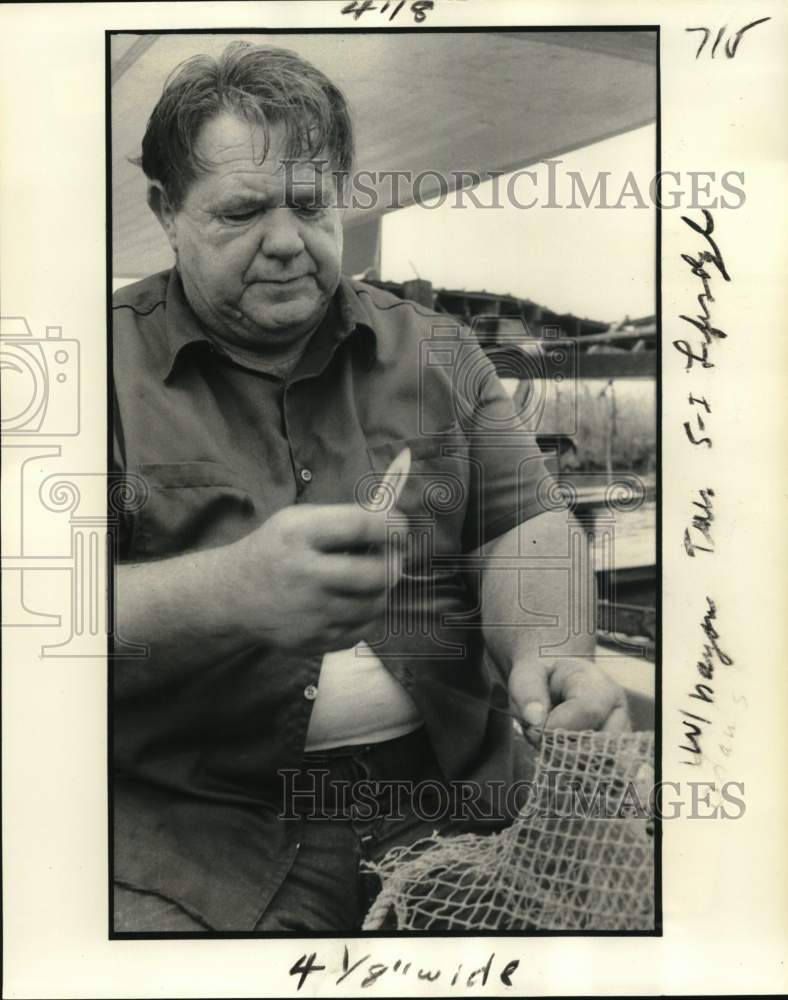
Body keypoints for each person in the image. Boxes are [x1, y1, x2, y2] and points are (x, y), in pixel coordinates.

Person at [111, 41, 629, 933]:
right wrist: (226, 593)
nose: (286, 242)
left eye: (311, 205)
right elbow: (31, 604)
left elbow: (525, 525)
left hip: (450, 800)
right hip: (191, 835)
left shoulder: (439, 348)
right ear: (167, 213)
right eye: (240, 212)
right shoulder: (92, 365)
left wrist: (548, 649)